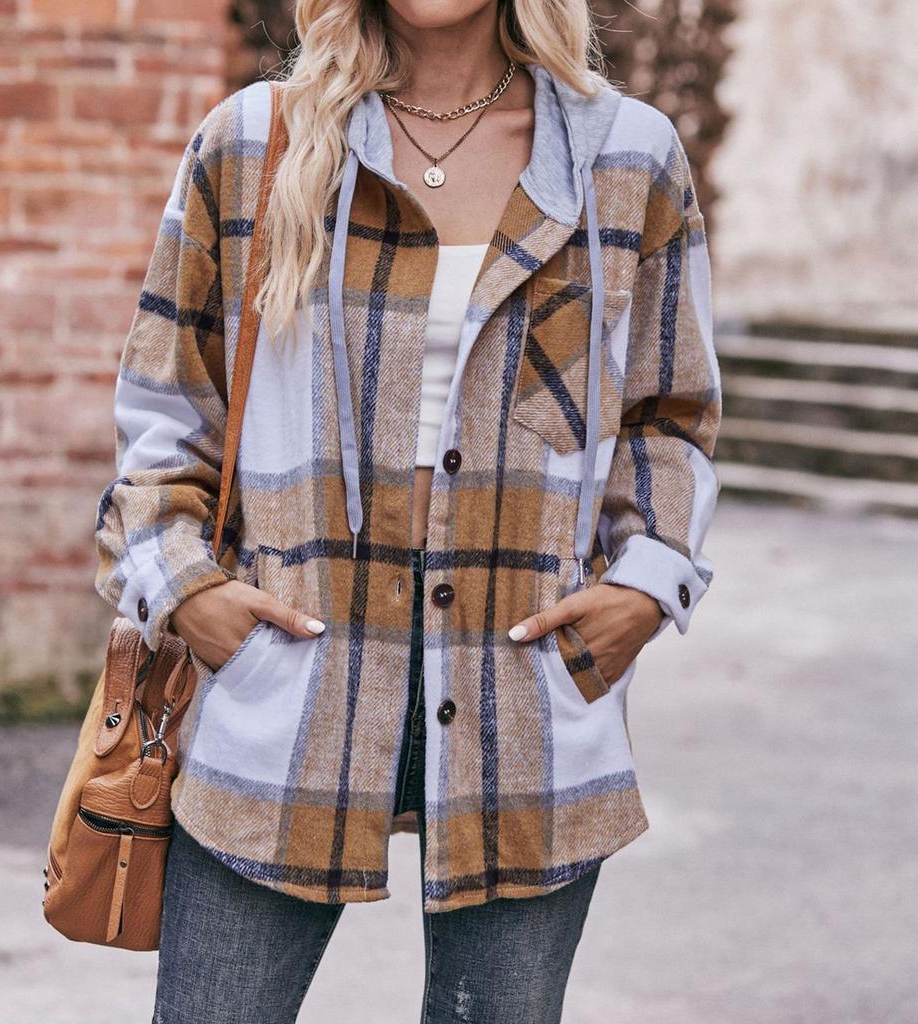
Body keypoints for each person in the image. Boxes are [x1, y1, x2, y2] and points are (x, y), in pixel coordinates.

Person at [93, 0, 722, 1020]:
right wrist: (186, 590)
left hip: (527, 700)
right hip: (286, 688)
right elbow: (165, 409)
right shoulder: (254, 142)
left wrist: (644, 587)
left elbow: (670, 414)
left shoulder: (626, 155)